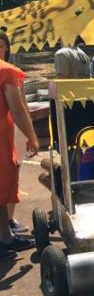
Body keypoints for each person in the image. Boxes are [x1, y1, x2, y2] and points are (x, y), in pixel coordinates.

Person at [0, 31, 39, 254]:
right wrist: (33, 138)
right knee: (3, 185)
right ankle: (5, 238)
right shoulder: (7, 72)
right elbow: (17, 109)